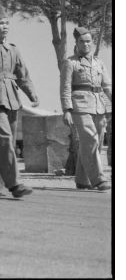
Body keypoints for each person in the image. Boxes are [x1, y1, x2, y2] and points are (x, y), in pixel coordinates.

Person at [0, 7, 39, 198]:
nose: (5, 27)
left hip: (12, 99)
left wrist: (32, 94)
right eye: (1, 23)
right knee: (4, 141)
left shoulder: (13, 49)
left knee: (2, 144)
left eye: (7, 23)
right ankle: (15, 184)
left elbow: (22, 74)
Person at [60, 27, 111, 191]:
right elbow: (65, 88)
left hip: (99, 106)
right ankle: (99, 179)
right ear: (76, 43)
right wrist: (66, 110)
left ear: (92, 42)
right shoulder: (70, 62)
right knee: (91, 140)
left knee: (90, 143)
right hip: (80, 106)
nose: (85, 44)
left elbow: (108, 86)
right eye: (82, 41)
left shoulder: (99, 63)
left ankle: (82, 180)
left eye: (88, 41)